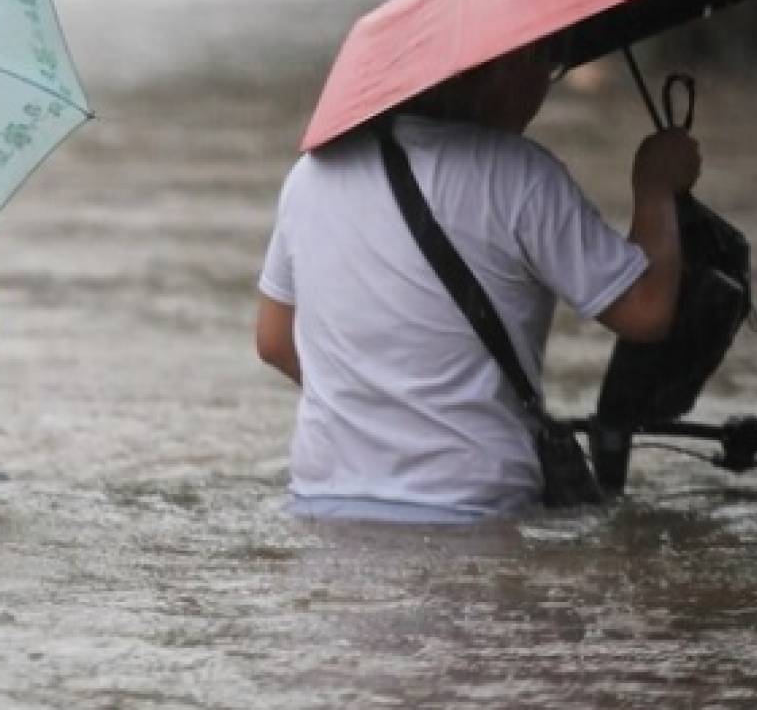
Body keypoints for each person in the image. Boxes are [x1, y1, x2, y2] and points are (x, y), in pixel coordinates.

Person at [254, 40, 702, 522]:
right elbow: (646, 310)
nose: (540, 90)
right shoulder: (520, 175)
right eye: (541, 67)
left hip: (323, 504)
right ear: (498, 73)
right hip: (472, 507)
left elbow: (274, 339)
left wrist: (384, 402)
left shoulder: (311, 175)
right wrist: (656, 189)